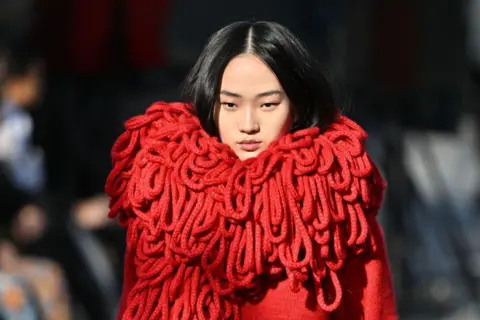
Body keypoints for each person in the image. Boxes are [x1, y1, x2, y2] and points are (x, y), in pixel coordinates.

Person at [106, 21, 398, 319]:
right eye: (230, 105)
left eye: (268, 104)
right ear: (210, 105)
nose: (248, 125)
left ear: (296, 106)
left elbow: (375, 310)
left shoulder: (335, 204)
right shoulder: (163, 199)